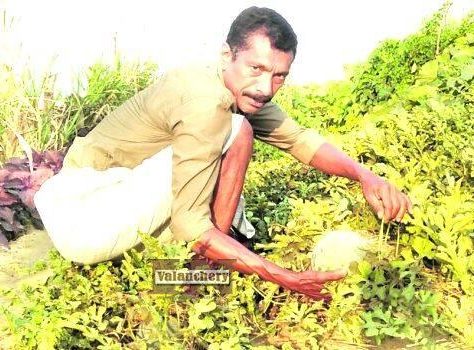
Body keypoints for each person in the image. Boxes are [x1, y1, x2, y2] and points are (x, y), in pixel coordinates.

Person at [34, 7, 412, 300]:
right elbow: (191, 225)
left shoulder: (240, 87)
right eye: (257, 68)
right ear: (226, 55)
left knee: (233, 140)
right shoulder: (204, 98)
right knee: (237, 131)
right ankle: (197, 274)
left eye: (279, 75)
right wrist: (280, 275)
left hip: (112, 201)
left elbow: (298, 140)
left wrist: (367, 176)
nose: (266, 87)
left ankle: (182, 267)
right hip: (86, 213)